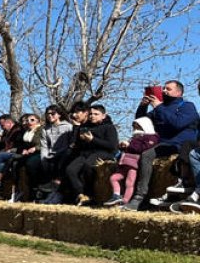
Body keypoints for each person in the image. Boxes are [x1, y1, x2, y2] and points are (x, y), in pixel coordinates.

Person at [126, 80, 199, 211]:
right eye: (163, 88)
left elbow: (177, 124)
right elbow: (141, 122)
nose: (164, 91)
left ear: (178, 92)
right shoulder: (160, 107)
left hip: (182, 145)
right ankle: (138, 196)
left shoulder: (187, 106)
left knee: (148, 154)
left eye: (168, 89)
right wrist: (143, 106)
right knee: (142, 155)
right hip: (163, 144)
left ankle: (179, 187)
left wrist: (158, 107)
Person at [62, 104, 118, 206]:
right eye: (91, 114)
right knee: (70, 170)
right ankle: (81, 194)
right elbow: (76, 143)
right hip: (86, 153)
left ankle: (91, 194)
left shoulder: (109, 127)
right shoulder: (85, 126)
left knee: (88, 165)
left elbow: (112, 146)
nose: (92, 116)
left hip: (104, 153)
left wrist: (92, 140)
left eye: (96, 114)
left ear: (103, 115)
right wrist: (76, 128)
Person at [105, 117, 159, 207]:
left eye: (137, 126)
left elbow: (143, 148)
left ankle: (125, 201)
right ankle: (116, 196)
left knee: (129, 182)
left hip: (134, 164)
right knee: (114, 178)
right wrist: (122, 146)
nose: (135, 129)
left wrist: (129, 146)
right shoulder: (133, 137)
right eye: (134, 127)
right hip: (124, 163)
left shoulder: (151, 137)